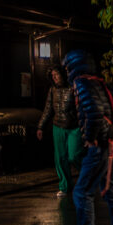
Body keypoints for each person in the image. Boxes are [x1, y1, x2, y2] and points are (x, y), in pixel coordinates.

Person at [58, 49, 113, 225]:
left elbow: (93, 113)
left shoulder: (82, 83)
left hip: (100, 145)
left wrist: (89, 138)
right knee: (112, 190)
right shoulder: (98, 82)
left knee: (81, 191)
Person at [36, 63, 83, 197]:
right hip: (58, 127)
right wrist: (40, 126)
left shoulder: (74, 87)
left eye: (57, 74)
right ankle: (65, 186)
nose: (55, 77)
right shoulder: (52, 90)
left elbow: (81, 107)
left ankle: (87, 178)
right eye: (53, 75)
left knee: (74, 155)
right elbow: (48, 109)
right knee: (60, 158)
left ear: (63, 74)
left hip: (74, 127)